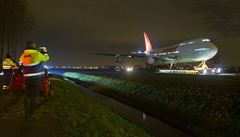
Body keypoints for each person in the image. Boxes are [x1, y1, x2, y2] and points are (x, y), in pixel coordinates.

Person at [19, 41, 49, 119]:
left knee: (26, 97)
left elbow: (23, 62)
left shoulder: (23, 55)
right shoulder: (37, 54)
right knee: (34, 97)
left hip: (26, 79)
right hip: (36, 80)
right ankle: (32, 114)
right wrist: (44, 52)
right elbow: (46, 59)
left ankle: (26, 114)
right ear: (34, 47)